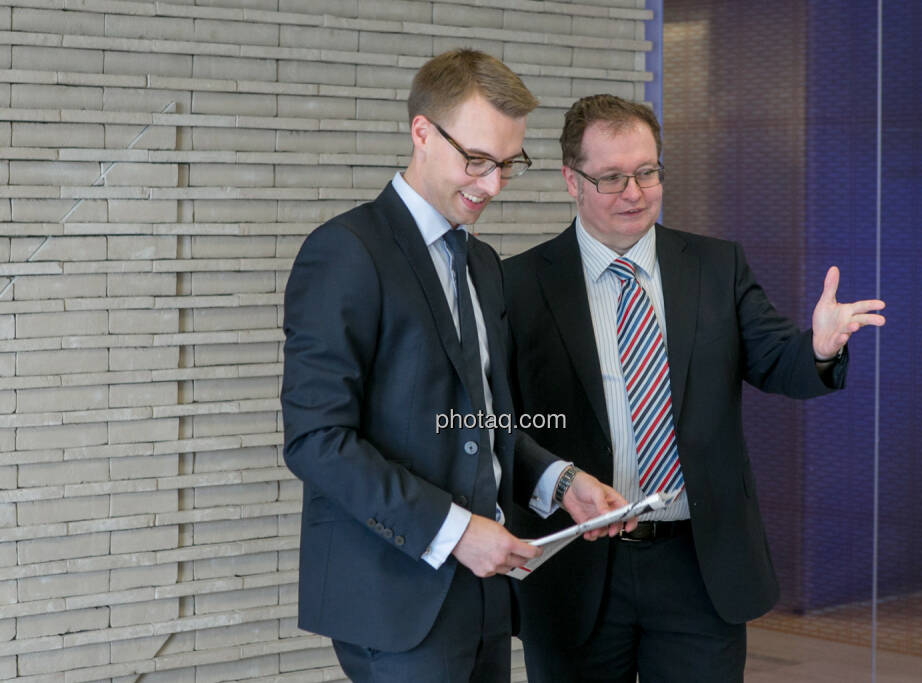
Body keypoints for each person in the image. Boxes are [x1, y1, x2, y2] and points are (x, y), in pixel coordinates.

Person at [503, 94, 886, 682]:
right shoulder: (518, 284)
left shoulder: (715, 266)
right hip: (573, 567)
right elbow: (498, 422)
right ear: (570, 181)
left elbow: (777, 358)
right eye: (611, 177)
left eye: (648, 171)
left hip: (699, 566)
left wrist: (818, 346)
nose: (634, 192)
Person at [280, 53, 632, 683]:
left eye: (507, 164)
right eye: (477, 160)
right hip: (396, 597)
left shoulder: (482, 264)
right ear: (421, 133)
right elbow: (317, 440)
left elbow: (476, 421)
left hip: (483, 594)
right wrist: (453, 530)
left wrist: (560, 480)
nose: (492, 184)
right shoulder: (344, 252)